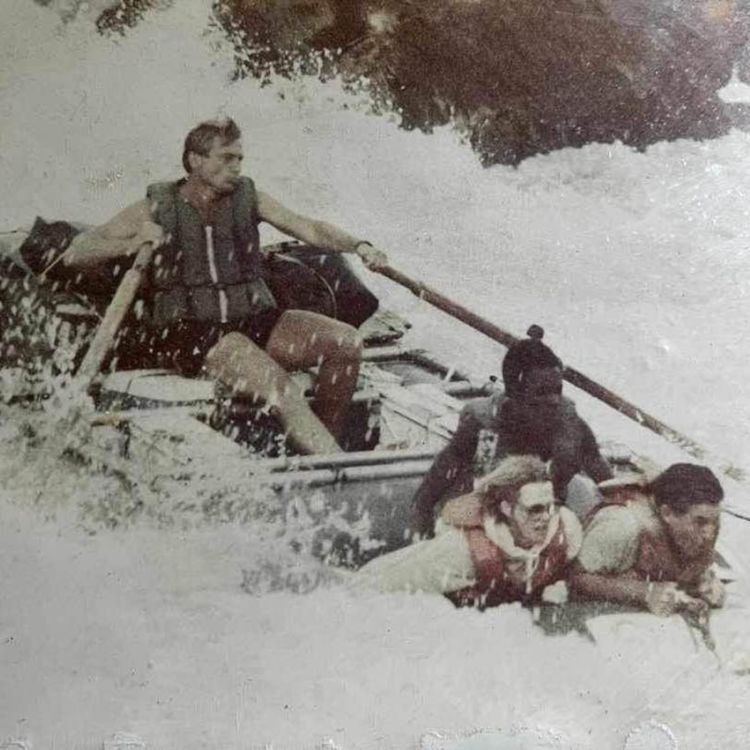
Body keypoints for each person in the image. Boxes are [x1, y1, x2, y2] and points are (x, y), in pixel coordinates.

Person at [64, 117, 388, 454]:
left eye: (239, 159)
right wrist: (130, 243)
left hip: (252, 318)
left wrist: (359, 245)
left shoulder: (251, 198)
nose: (236, 167)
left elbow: (311, 229)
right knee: (281, 387)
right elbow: (77, 252)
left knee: (345, 343)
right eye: (226, 158)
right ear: (195, 160)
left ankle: (324, 451)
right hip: (191, 331)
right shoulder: (154, 207)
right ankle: (332, 462)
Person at [412, 325, 612, 537]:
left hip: (542, 521)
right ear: (514, 395)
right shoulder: (484, 421)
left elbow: (604, 477)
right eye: (541, 393)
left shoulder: (569, 423)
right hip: (487, 515)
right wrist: (423, 518)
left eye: (557, 390)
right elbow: (444, 470)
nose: (553, 401)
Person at [352, 455, 583, 608]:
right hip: (383, 578)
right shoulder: (460, 551)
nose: (545, 517)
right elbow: (376, 589)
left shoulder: (566, 531)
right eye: (535, 510)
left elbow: (578, 571)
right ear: (506, 508)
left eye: (549, 507)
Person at [570, 463, 726, 617]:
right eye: (700, 522)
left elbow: (693, 563)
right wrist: (644, 592)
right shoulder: (623, 524)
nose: (710, 534)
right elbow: (576, 578)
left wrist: (704, 581)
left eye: (715, 520)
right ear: (667, 514)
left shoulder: (701, 524)